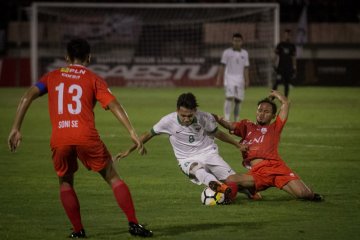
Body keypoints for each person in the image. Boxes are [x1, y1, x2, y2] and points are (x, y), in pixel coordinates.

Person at [7, 38, 153, 238]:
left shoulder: (52, 76)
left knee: (65, 182)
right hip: (86, 136)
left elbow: (27, 96)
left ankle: (78, 230)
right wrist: (131, 131)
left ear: (67, 57)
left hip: (60, 137)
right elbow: (114, 105)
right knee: (112, 177)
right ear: (89, 57)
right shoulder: (93, 78)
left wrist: (16, 127)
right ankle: (134, 224)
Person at [114, 92, 250, 204]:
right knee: (196, 169)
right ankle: (217, 186)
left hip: (208, 152)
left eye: (189, 116)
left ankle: (248, 191)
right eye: (182, 115)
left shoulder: (204, 117)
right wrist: (129, 150)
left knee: (234, 180)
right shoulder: (168, 121)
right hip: (186, 158)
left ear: (195, 111)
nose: (186, 119)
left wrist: (238, 145)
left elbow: (219, 134)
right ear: (177, 111)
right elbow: (148, 134)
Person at [213, 90, 323, 201]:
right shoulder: (247, 126)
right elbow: (229, 125)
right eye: (260, 110)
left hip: (277, 168)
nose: (262, 114)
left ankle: (311, 194)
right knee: (231, 179)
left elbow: (286, 103)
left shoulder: (275, 127)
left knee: (304, 195)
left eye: (266, 112)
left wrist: (276, 94)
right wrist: (214, 117)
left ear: (273, 116)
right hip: (258, 172)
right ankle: (237, 195)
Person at [216, 32, 250, 122]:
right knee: (229, 97)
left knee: (238, 100)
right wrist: (219, 79)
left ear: (242, 42)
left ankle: (236, 120)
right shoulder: (227, 52)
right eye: (235, 41)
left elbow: (246, 68)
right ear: (232, 41)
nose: (236, 43)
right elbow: (222, 66)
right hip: (229, 78)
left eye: (238, 41)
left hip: (240, 79)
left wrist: (247, 80)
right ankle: (227, 118)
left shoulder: (245, 53)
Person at [272, 29, 297, 97]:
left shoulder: (292, 46)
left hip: (288, 67)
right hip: (280, 67)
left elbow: (293, 57)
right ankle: (271, 97)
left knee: (286, 84)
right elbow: (275, 55)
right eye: (286, 34)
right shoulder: (280, 44)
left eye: (288, 35)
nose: (287, 36)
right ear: (284, 35)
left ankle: (285, 99)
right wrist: (274, 64)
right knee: (276, 82)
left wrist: (294, 67)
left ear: (290, 36)